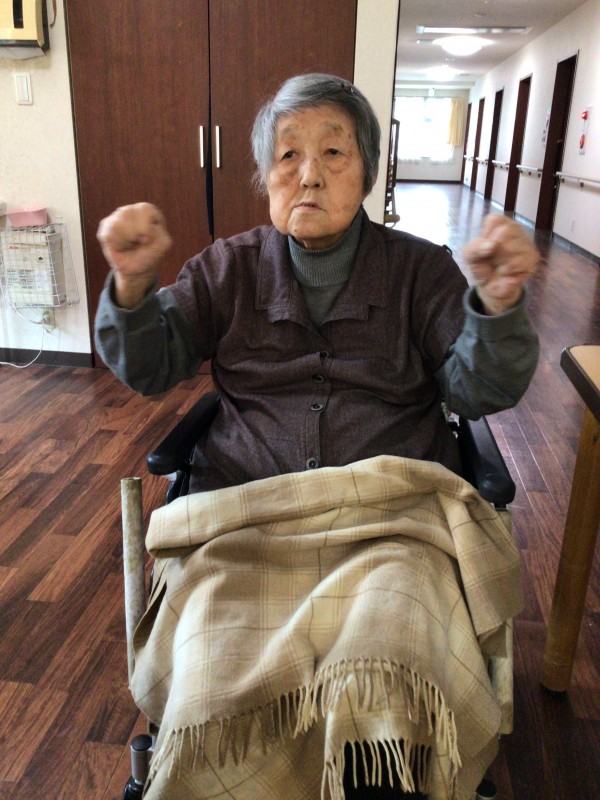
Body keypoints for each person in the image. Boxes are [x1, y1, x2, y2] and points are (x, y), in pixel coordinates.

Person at [95, 74, 539, 799]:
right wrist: (133, 289)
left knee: (395, 664)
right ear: (265, 177)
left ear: (366, 172)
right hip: (246, 519)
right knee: (211, 675)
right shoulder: (227, 268)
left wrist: (495, 307)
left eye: (334, 152)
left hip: (392, 525)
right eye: (287, 155)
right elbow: (150, 366)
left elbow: (478, 390)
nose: (308, 174)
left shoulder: (419, 270)